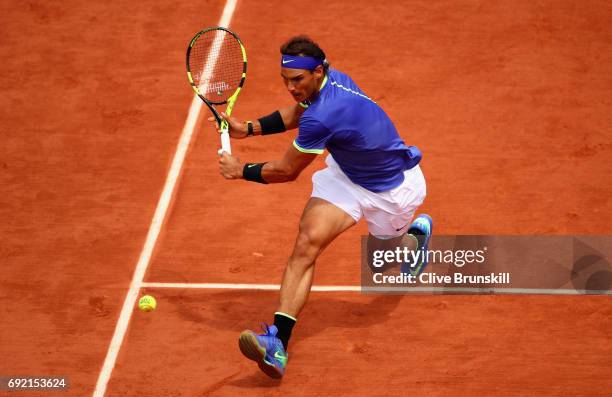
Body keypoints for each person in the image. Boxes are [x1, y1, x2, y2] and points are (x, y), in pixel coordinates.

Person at [212, 35, 432, 379]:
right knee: (306, 244)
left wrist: (240, 170)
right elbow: (300, 111)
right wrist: (250, 128)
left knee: (381, 259)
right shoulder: (330, 82)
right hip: (348, 175)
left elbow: (286, 171)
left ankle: (412, 242)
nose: (291, 87)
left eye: (297, 80)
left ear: (317, 71)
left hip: (393, 190)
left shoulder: (326, 114)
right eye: (285, 80)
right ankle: (277, 344)